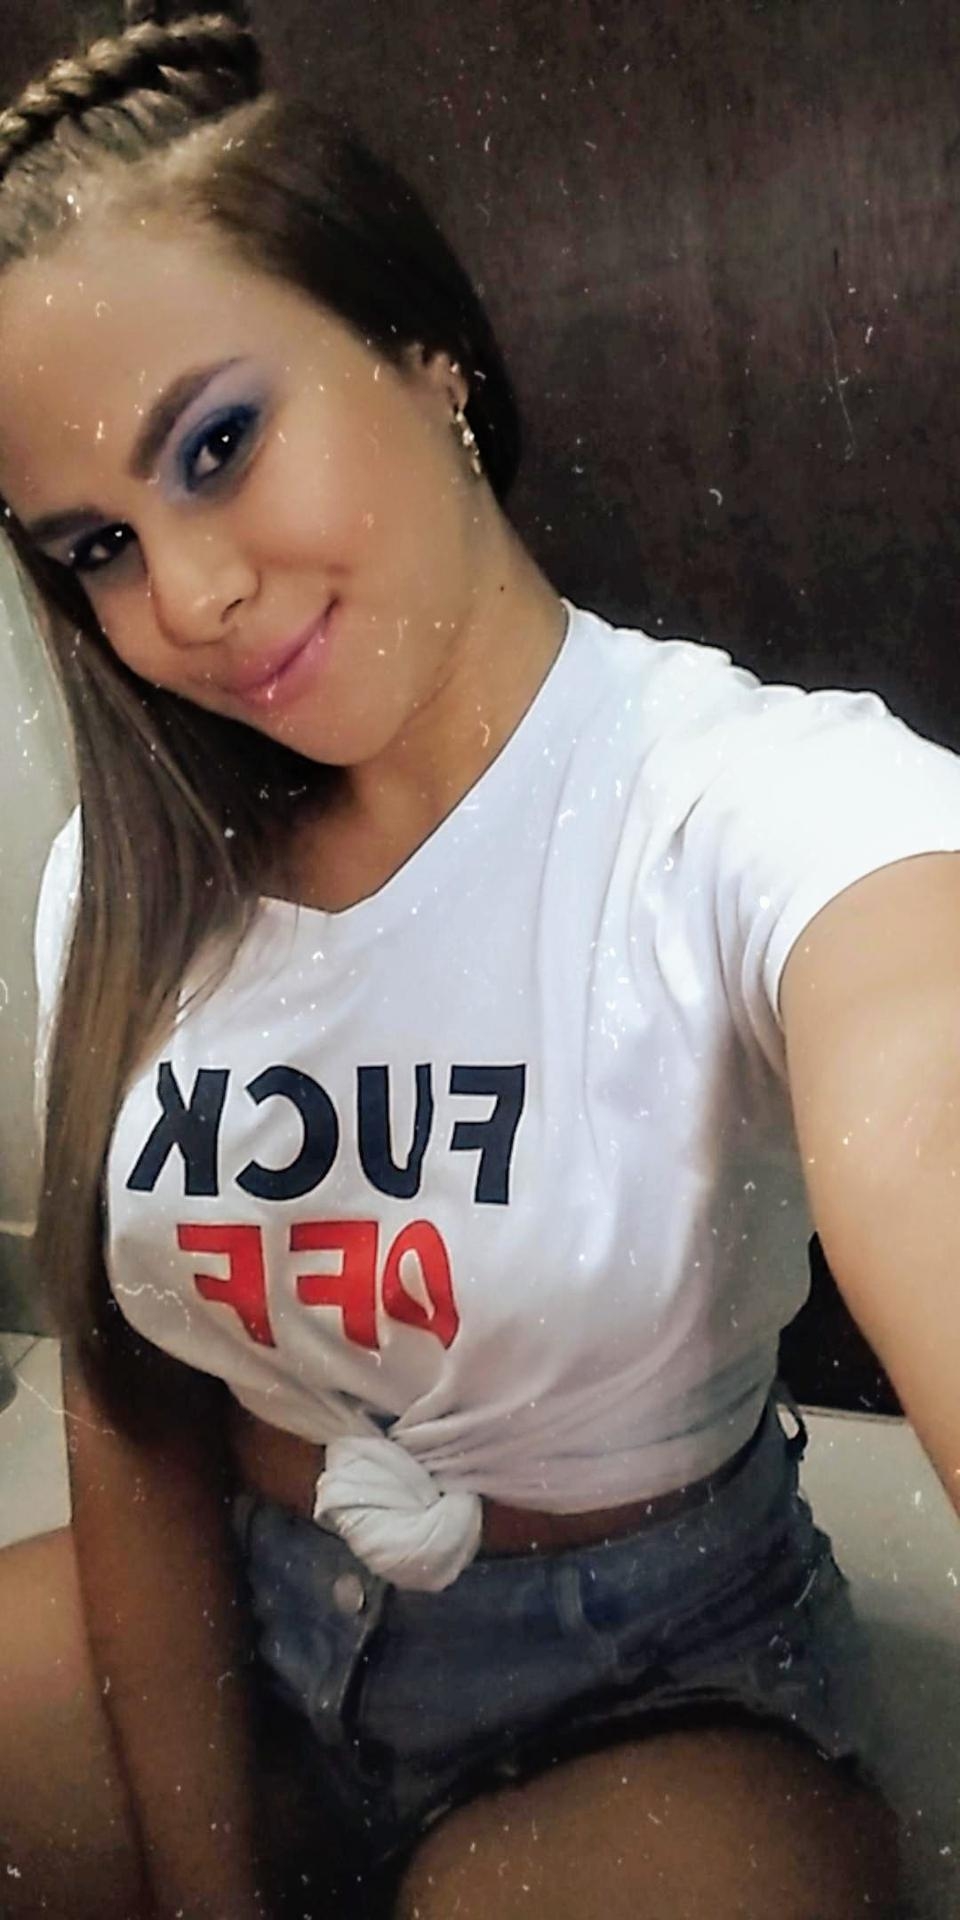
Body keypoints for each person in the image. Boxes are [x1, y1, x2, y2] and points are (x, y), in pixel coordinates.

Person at [0, 7, 957, 1917]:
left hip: (650, 1681)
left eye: (220, 445)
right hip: (246, 1623)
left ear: (426, 355)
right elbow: (131, 1404)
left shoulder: (747, 803)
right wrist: (207, 1889)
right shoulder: (124, 875)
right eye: (96, 543)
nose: (188, 596)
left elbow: (923, 1100)